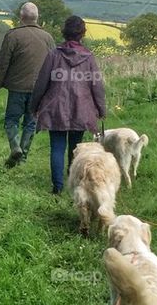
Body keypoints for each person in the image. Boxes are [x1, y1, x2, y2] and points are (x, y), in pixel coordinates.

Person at [30, 15, 106, 195]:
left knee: (57, 147)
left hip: (55, 108)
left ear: (64, 32)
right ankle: (73, 182)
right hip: (81, 109)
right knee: (75, 147)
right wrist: (101, 108)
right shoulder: (88, 58)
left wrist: (34, 106)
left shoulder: (53, 55)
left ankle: (57, 188)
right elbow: (97, 85)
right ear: (82, 34)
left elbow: (41, 83)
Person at [0, 0, 55, 167]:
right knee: (30, 123)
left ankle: (15, 147)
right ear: (37, 18)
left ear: (21, 16)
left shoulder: (13, 35)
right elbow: (54, 63)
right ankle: (23, 158)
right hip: (38, 90)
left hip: (17, 88)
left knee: (11, 120)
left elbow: (3, 63)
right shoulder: (48, 38)